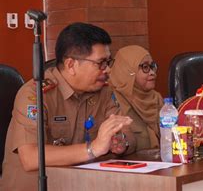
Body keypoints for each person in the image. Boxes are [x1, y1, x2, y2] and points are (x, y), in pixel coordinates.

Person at [1, 22, 136, 190]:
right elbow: (31, 157)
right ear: (71, 65)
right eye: (101, 63)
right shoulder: (35, 95)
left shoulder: (103, 91)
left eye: (109, 62)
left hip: (78, 185)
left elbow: (128, 133)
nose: (107, 70)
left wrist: (122, 142)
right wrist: (92, 149)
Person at [109, 45, 164, 151]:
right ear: (127, 70)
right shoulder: (113, 100)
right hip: (127, 165)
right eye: (145, 67)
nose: (152, 73)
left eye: (152, 66)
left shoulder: (156, 97)